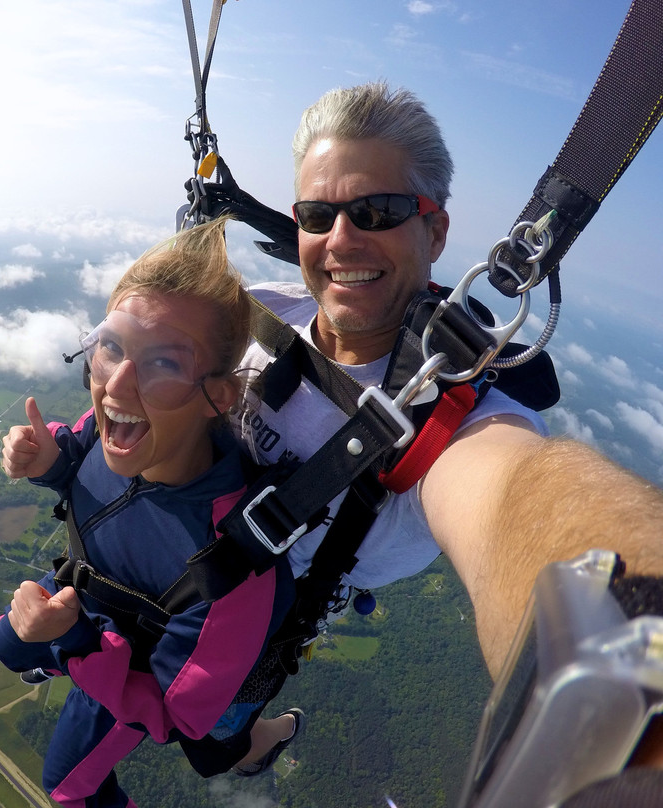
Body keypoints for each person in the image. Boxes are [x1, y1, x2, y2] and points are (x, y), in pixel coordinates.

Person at [213, 81, 663, 771]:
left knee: (220, 744)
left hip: (256, 631)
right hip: (173, 577)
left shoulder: (451, 419)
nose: (340, 239)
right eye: (316, 213)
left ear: (437, 230)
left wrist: (628, 646)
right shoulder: (252, 314)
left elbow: (517, 494)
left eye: (377, 210)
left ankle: (265, 738)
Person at [0, 218, 299, 808]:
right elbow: (81, 452)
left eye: (164, 364)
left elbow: (172, 714)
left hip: (121, 670)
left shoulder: (230, 566)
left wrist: (78, 644)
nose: (116, 388)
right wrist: (47, 459)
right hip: (79, 614)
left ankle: (263, 740)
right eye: (111, 346)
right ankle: (48, 655)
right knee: (8, 649)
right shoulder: (114, 433)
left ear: (217, 396)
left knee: (68, 793)